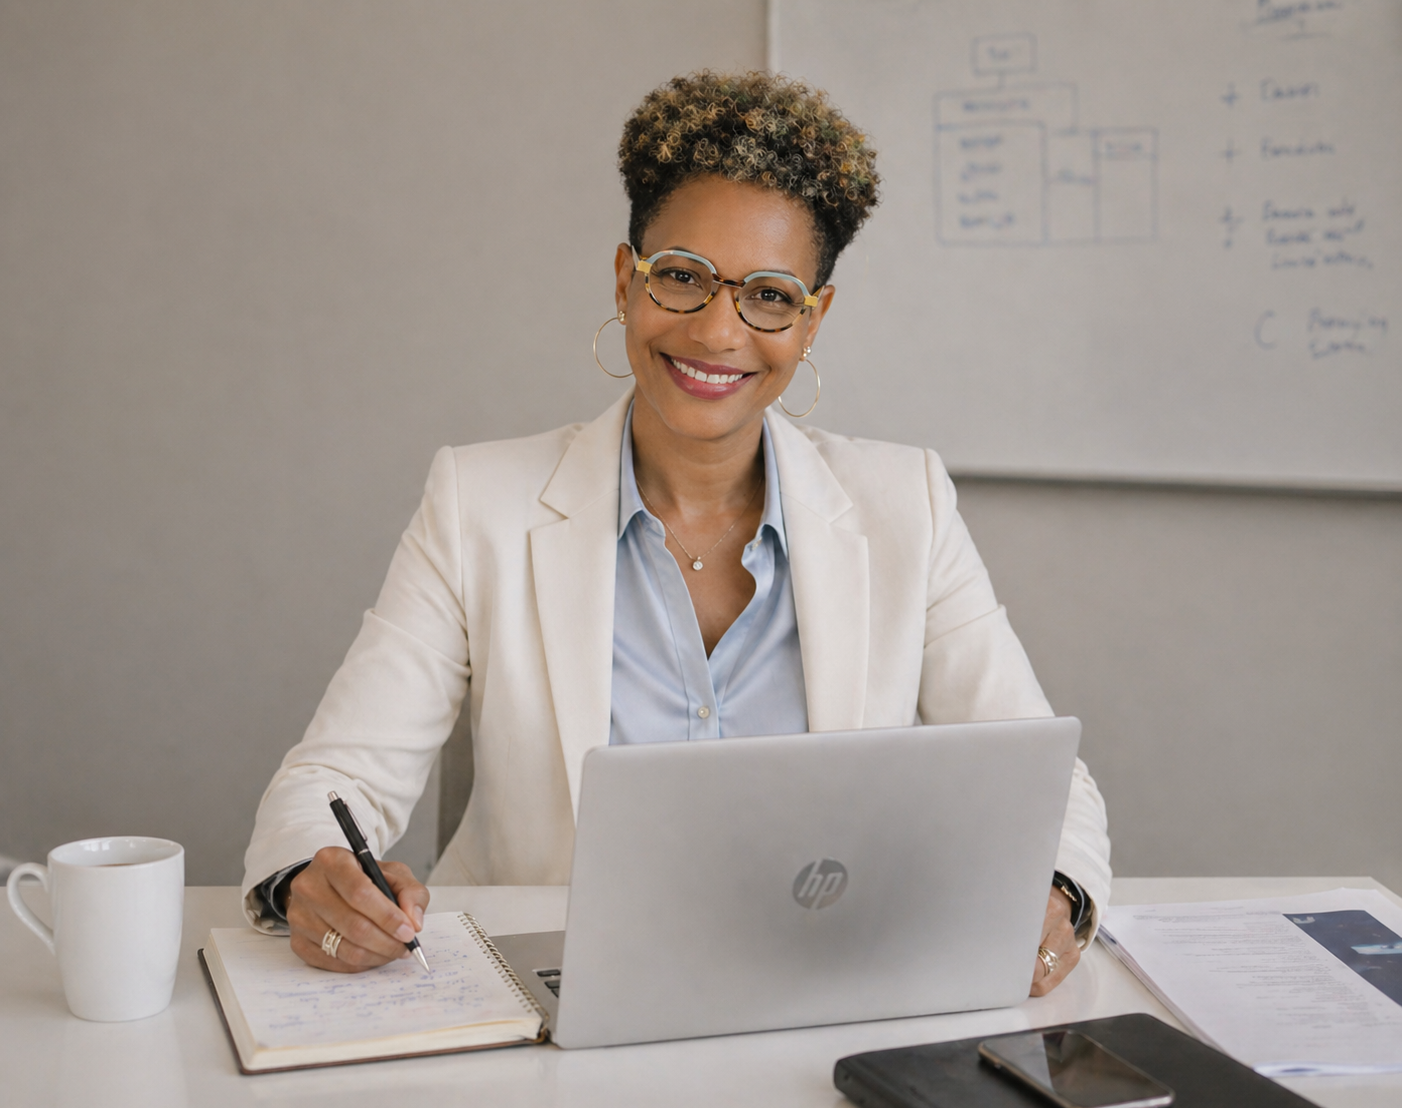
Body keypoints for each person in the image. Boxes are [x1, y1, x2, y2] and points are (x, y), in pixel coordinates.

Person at [242, 71, 1110, 997]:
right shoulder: (479, 503)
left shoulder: (908, 505)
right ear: (627, 281)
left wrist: (1055, 898)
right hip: (545, 1015)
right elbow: (329, 782)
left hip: (820, 1001)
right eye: (684, 277)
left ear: (812, 322)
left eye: (769, 296)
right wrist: (313, 875)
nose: (717, 331)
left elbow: (1053, 790)